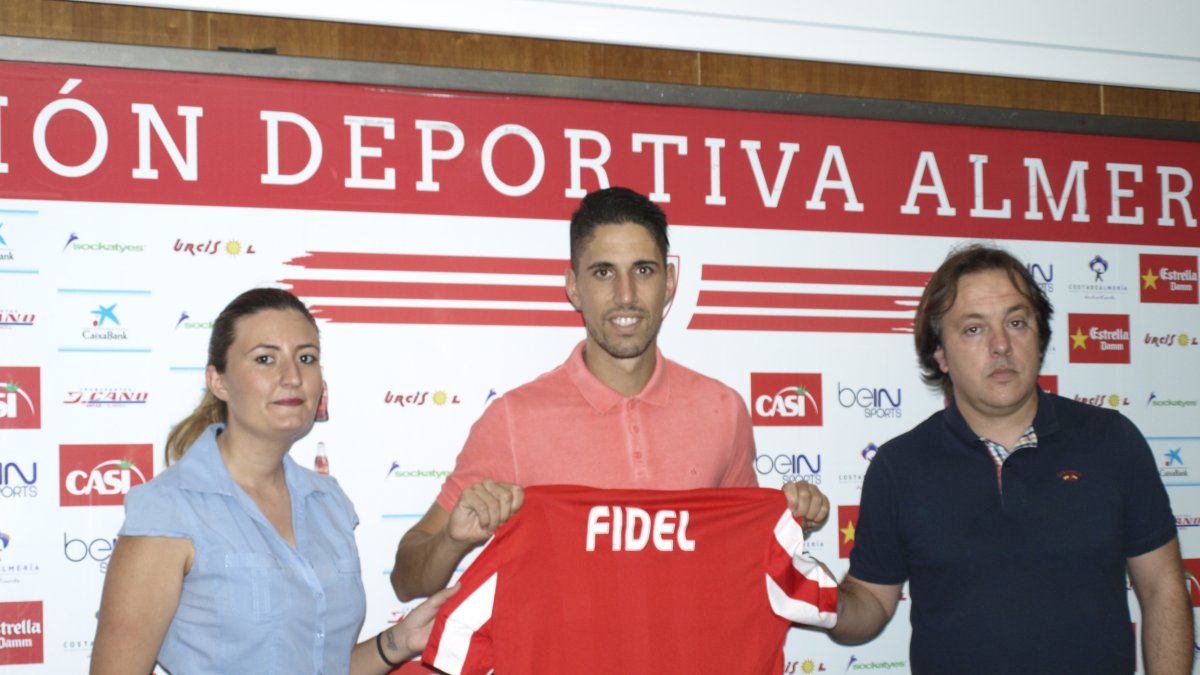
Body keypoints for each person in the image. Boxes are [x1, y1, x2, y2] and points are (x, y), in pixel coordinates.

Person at [391, 186, 830, 601]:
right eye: (604, 273)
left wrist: (792, 519)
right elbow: (407, 580)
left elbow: (742, 553)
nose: (626, 296)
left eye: (643, 270)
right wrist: (451, 541)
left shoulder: (723, 410)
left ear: (670, 282)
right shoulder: (512, 419)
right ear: (573, 286)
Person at [828, 244, 1192, 673]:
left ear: (1040, 336)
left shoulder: (1112, 440)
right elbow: (869, 603)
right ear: (940, 354)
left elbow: (1161, 587)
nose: (1001, 345)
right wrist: (810, 589)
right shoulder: (899, 466)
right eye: (974, 329)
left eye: (1016, 322)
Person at [91, 288, 457, 675]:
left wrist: (396, 643)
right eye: (266, 359)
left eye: (306, 358)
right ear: (219, 382)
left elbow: (321, 666)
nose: (293, 377)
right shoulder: (169, 510)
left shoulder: (329, 503)